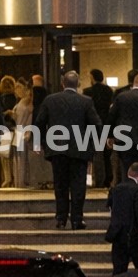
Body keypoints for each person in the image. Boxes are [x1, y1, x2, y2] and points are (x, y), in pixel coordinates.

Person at [34, 70, 103, 230]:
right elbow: (96, 123)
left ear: (62, 84)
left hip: (57, 148)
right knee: (78, 185)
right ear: (78, 84)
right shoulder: (86, 101)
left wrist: (39, 143)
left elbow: (39, 123)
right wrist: (93, 143)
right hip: (80, 148)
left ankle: (61, 218)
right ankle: (77, 219)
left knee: (60, 184)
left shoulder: (50, 100)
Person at [105, 162, 138, 275]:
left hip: (118, 232)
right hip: (134, 234)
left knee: (119, 269)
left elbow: (110, 206)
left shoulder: (115, 189)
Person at [84, 69, 115, 188]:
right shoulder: (108, 90)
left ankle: (95, 179)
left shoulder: (88, 92)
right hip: (106, 124)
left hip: (92, 125)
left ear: (92, 78)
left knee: (93, 154)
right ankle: (108, 178)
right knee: (106, 154)